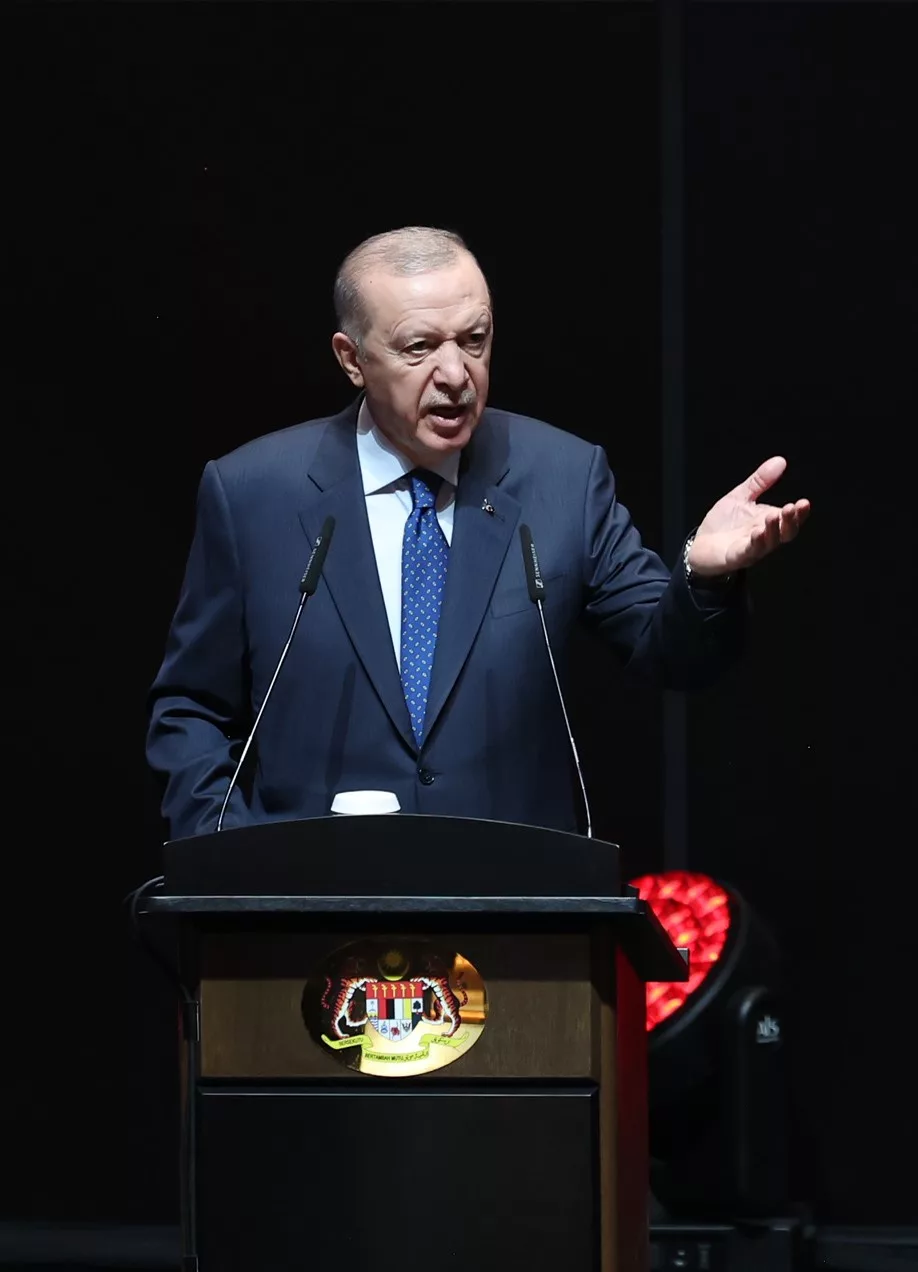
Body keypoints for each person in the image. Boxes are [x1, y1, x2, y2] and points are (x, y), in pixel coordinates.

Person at [146, 226, 809, 841]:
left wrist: (704, 576)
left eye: (474, 339)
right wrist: (230, 860)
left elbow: (669, 653)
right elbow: (191, 708)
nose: (457, 375)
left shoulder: (563, 477)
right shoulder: (254, 493)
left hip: (512, 905)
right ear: (352, 359)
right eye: (419, 347)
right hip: (310, 900)